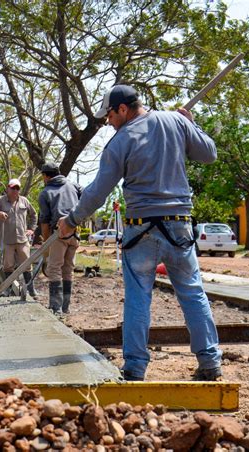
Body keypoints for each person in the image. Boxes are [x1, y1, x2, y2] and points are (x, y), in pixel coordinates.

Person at [58, 85, 222, 381]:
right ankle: (210, 362)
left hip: (141, 229)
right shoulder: (176, 122)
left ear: (122, 109)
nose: (107, 122)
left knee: (137, 298)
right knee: (192, 292)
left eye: (108, 115)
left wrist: (72, 219)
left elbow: (98, 191)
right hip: (178, 225)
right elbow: (208, 153)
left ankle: (135, 368)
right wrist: (191, 125)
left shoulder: (122, 141)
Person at [38, 162, 83, 315]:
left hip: (58, 234)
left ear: (45, 175)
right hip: (75, 232)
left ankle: (56, 308)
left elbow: (44, 221)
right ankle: (65, 307)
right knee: (68, 269)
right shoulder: (74, 186)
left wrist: (46, 242)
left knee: (54, 268)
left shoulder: (46, 192)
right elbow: (86, 198)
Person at [0, 178, 38, 298]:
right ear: (7, 188)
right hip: (7, 240)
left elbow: (34, 215)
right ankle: (8, 290)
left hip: (22, 239)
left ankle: (31, 289)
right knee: (8, 265)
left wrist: (31, 229)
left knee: (27, 264)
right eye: (13, 188)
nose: (15, 190)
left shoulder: (24, 201)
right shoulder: (0, 201)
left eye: (17, 188)